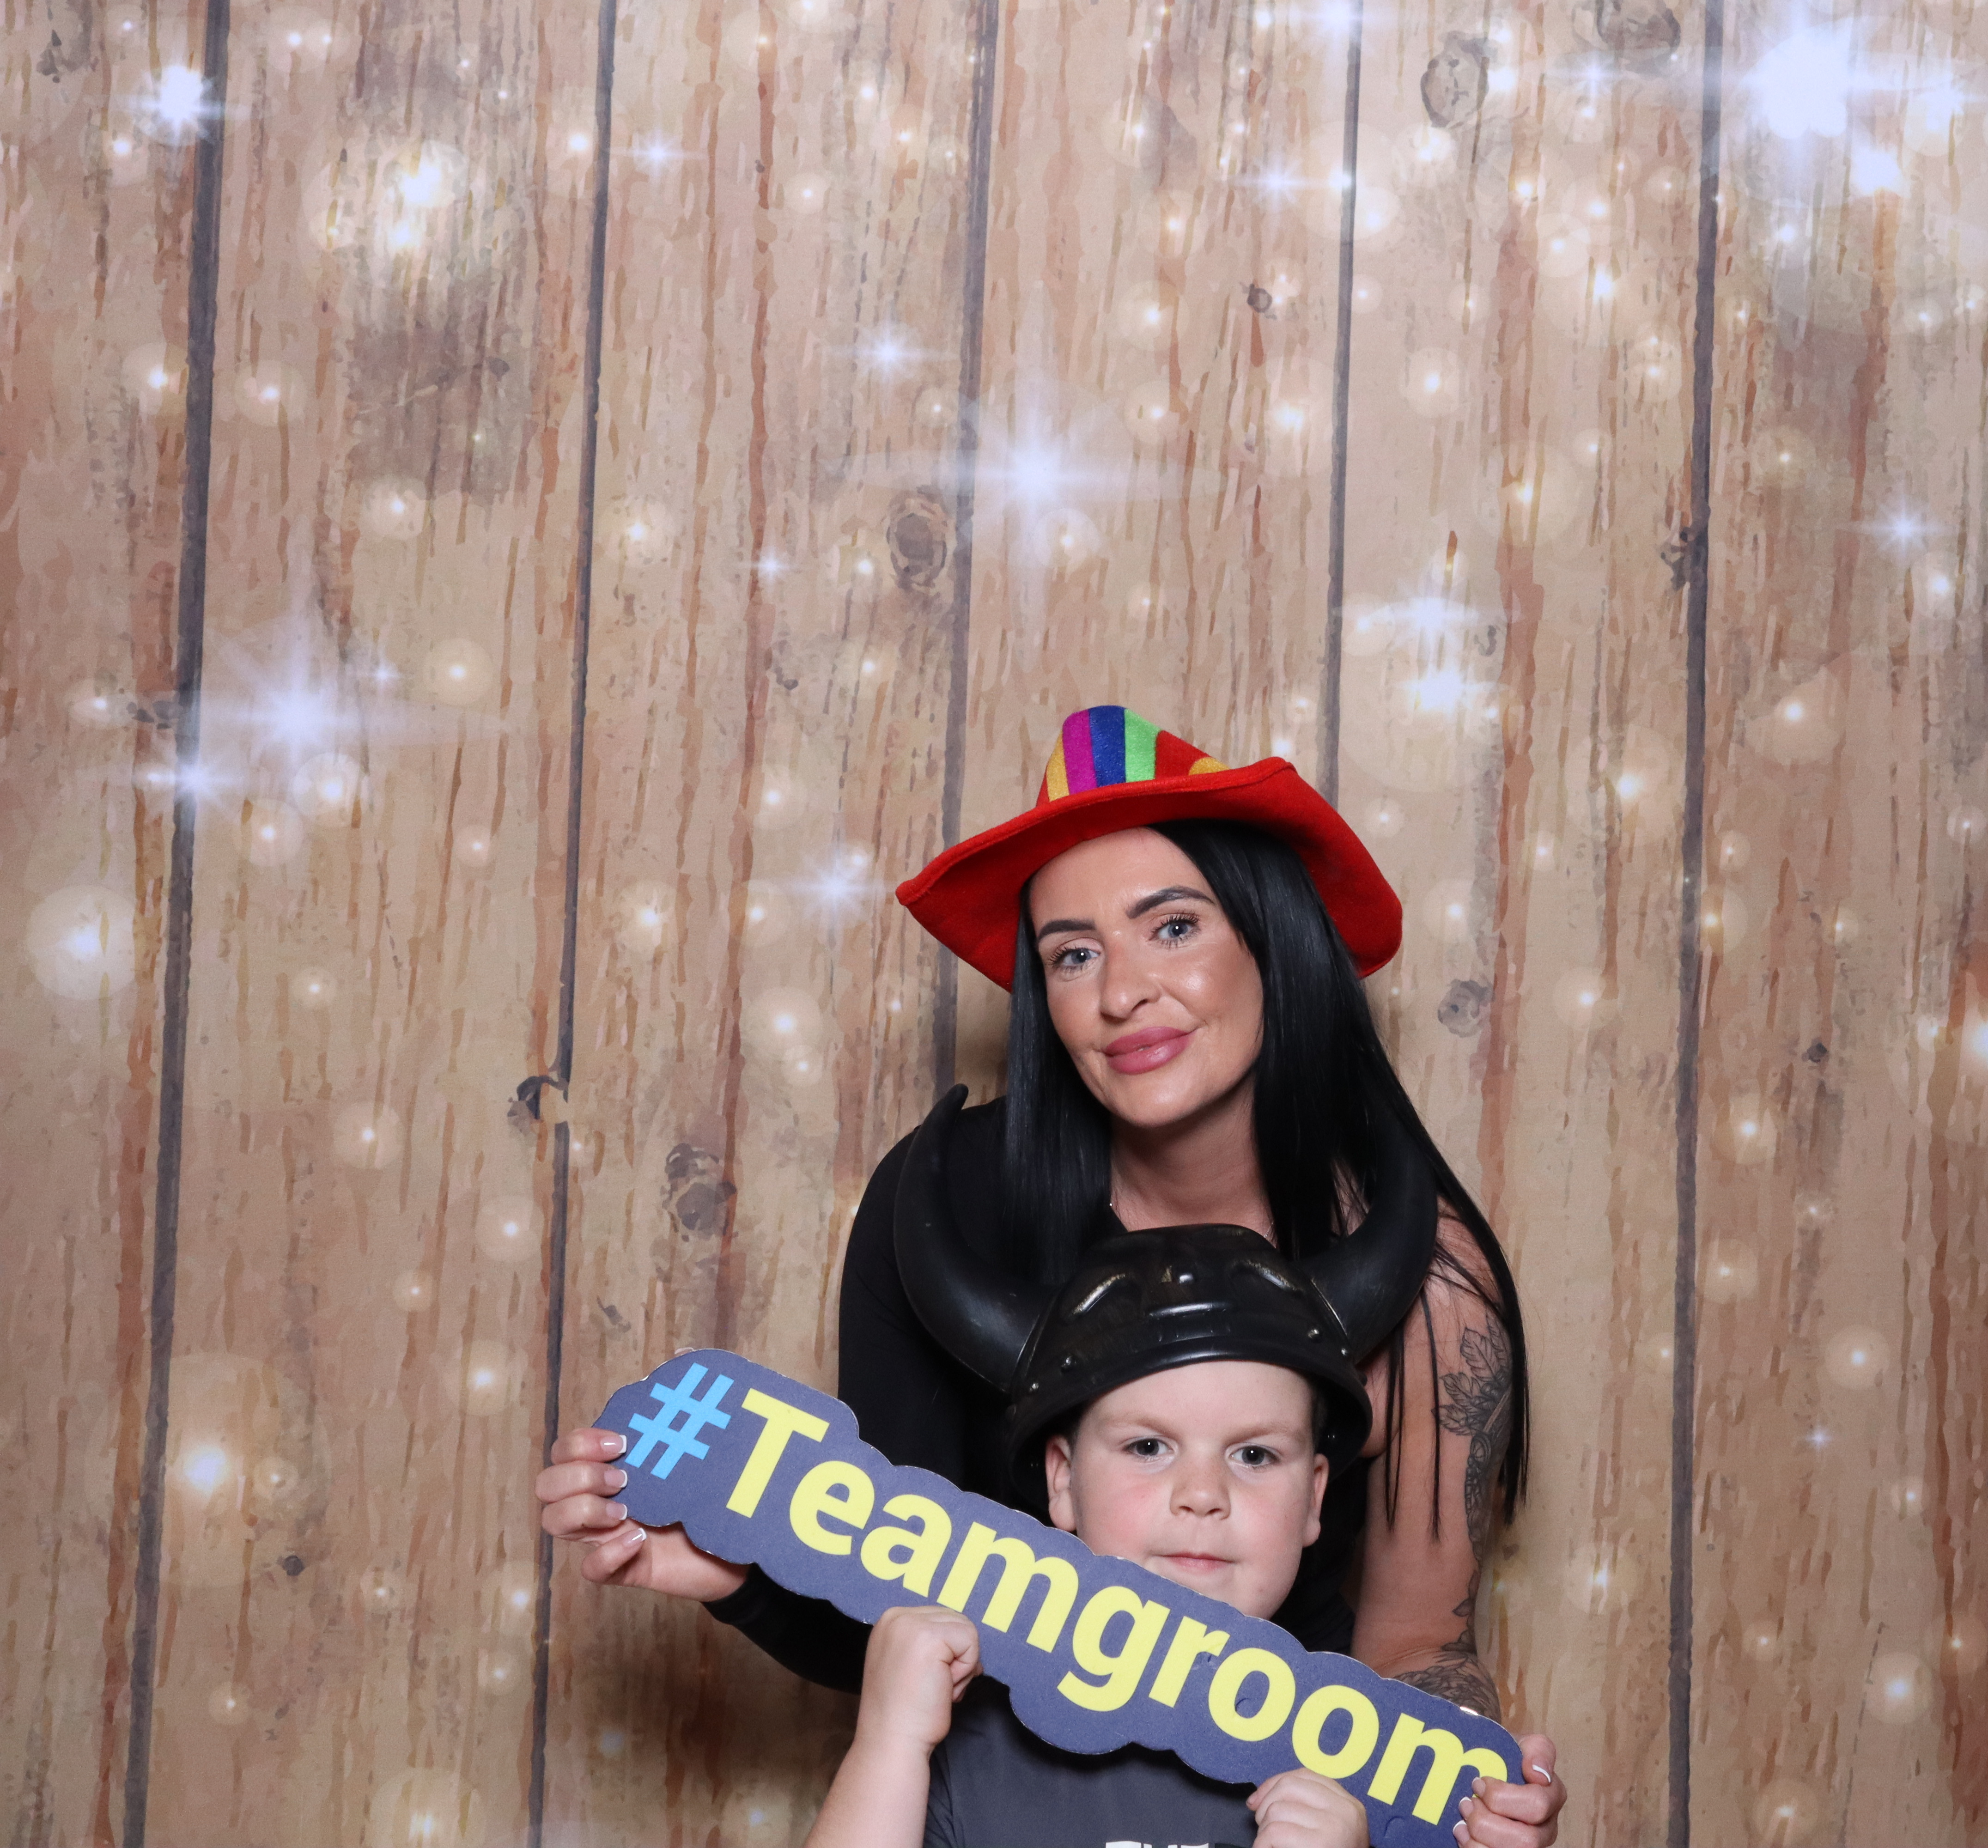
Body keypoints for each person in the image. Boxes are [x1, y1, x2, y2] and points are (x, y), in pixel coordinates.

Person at [537, 708, 1565, 1840]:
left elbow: (1418, 1644)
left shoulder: (1434, 1288)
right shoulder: (949, 1207)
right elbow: (903, 1606)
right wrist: (743, 1565)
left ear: (1275, 942)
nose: (1122, 992)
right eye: (1074, 953)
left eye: (1173, 926)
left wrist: (1465, 1800)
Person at [805, 1224, 1545, 1848]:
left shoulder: (1371, 1760)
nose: (1202, 1495)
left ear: (1315, 1496)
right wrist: (888, 1744)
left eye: (1254, 1455)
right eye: (1148, 1447)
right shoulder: (960, 1735)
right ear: (1063, 1480)